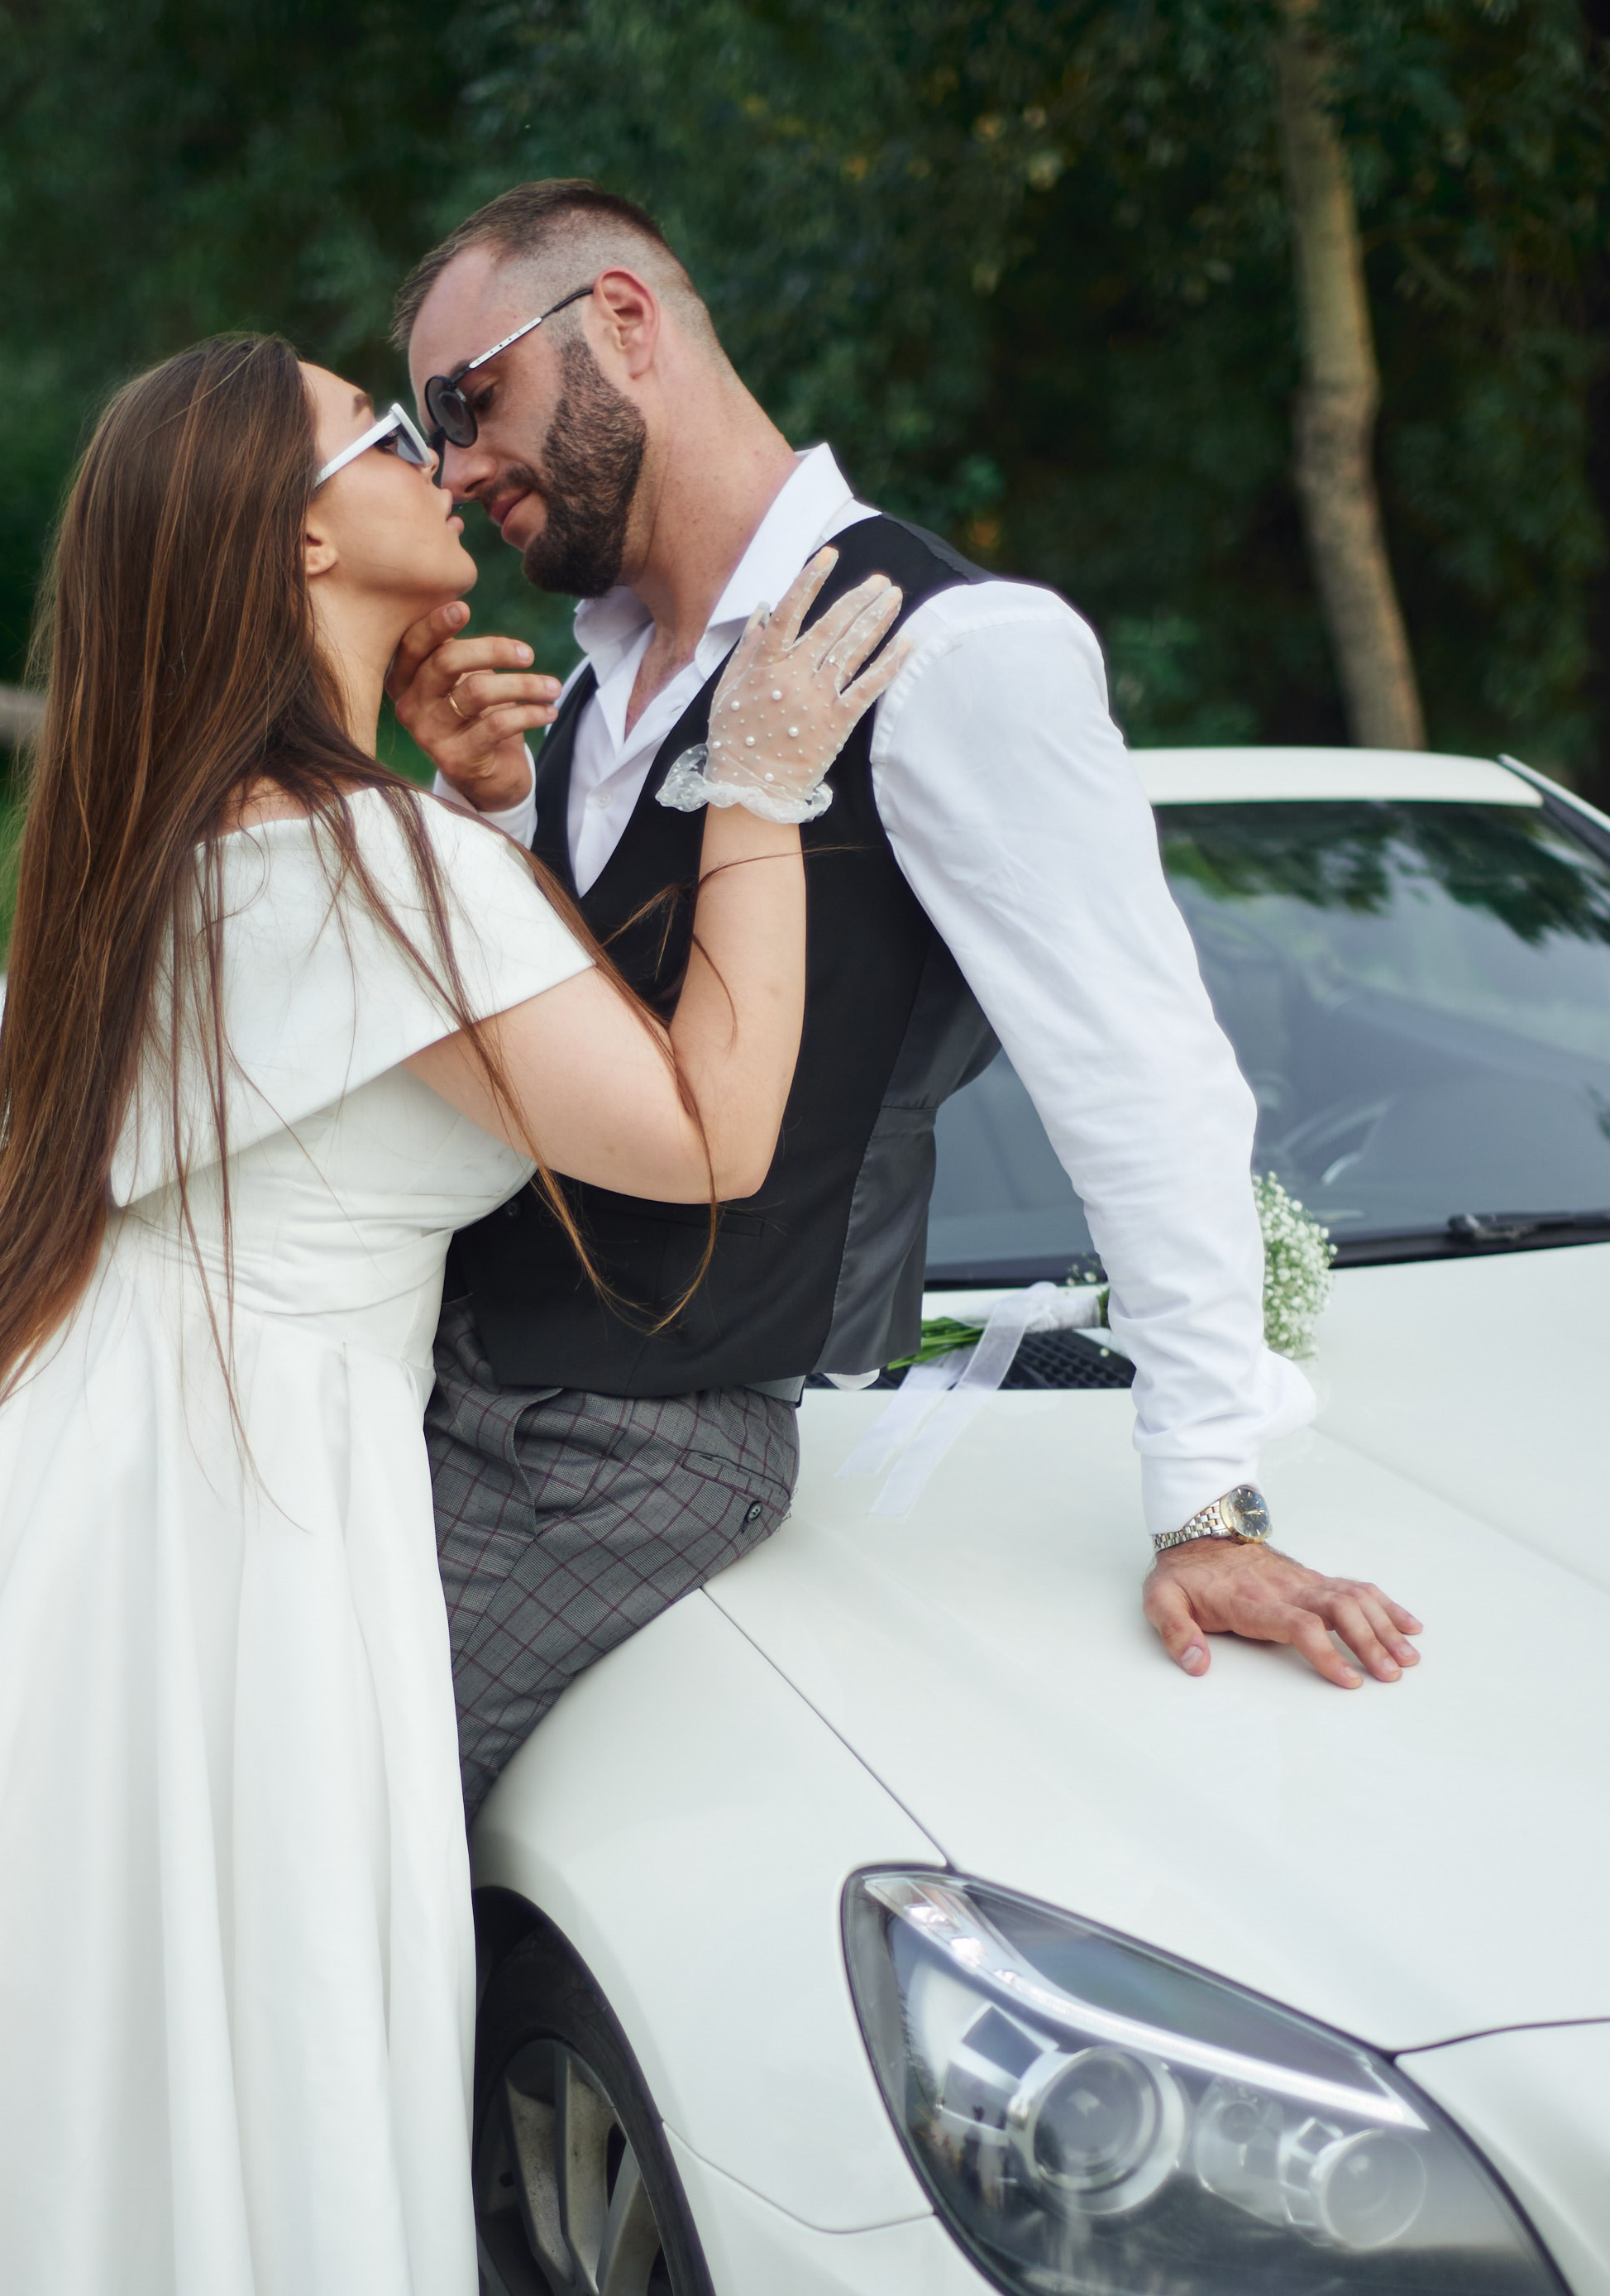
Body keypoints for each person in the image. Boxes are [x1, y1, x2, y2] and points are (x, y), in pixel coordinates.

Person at [0, 337, 908, 2295]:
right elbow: (712, 1131)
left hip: (33, 1499)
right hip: (211, 1525)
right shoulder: (370, 867)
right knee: (176, 2087)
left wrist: (479, 814)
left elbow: (376, 1044)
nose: (445, 461)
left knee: (8, 2096)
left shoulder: (188, 828)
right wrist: (759, 782)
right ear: (303, 539)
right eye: (389, 433)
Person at [385, 179, 1425, 1815]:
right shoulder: (588, 692)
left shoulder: (952, 651)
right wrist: (496, 817)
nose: (451, 469)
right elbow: (584, 1048)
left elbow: (1138, 1069)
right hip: (449, 1402)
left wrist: (1207, 1500)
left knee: (302, 1824)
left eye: (467, 400)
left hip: (618, 1456)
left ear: (624, 323)